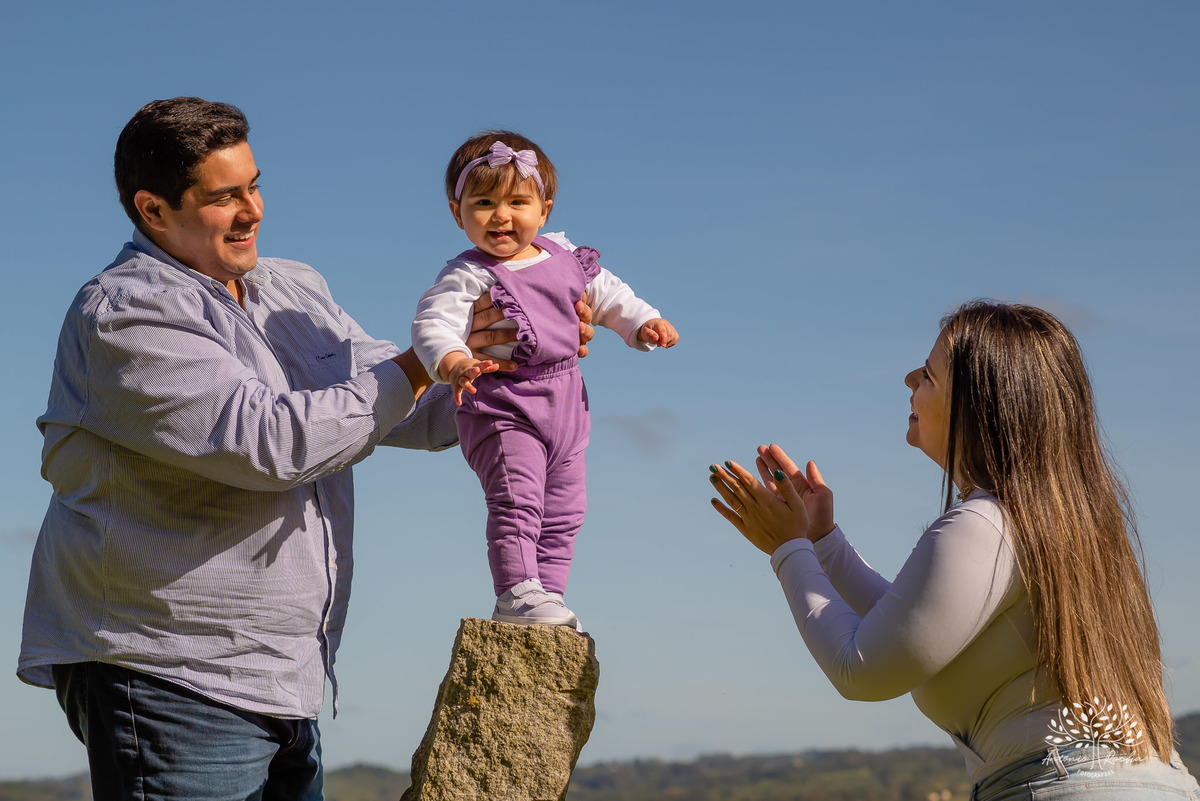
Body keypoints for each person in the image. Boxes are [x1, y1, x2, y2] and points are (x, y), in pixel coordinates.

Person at [17, 98, 593, 801]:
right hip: (169, 672)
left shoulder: (295, 286)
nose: (252, 209)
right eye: (223, 196)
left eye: (254, 185)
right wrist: (423, 363)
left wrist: (516, 362)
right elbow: (274, 443)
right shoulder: (123, 313)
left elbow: (412, 415)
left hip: (287, 678)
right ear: (152, 209)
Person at [707, 300, 1200, 800]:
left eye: (928, 375)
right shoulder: (1058, 523)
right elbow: (916, 626)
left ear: (978, 407)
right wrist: (823, 544)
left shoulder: (986, 524)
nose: (907, 380)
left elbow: (861, 668)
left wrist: (788, 548)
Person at [411, 132, 679, 631]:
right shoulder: (468, 275)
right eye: (484, 203)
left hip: (567, 405)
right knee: (517, 499)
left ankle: (548, 594)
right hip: (502, 404)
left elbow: (608, 294)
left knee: (564, 509)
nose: (501, 216)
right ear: (457, 212)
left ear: (544, 210)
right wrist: (453, 362)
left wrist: (642, 323)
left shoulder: (562, 255)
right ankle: (515, 591)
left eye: (518, 202)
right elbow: (433, 324)